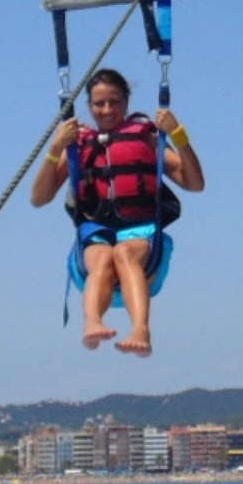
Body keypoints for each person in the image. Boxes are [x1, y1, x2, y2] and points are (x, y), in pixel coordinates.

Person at [31, 69, 204, 356]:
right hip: (95, 230)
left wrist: (177, 133)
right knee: (102, 257)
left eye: (115, 102)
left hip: (141, 230)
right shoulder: (78, 142)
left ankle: (140, 330)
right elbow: (39, 198)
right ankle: (93, 322)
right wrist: (55, 148)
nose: (107, 110)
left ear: (126, 101)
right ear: (89, 106)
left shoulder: (145, 137)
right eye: (99, 104)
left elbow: (194, 183)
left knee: (123, 254)